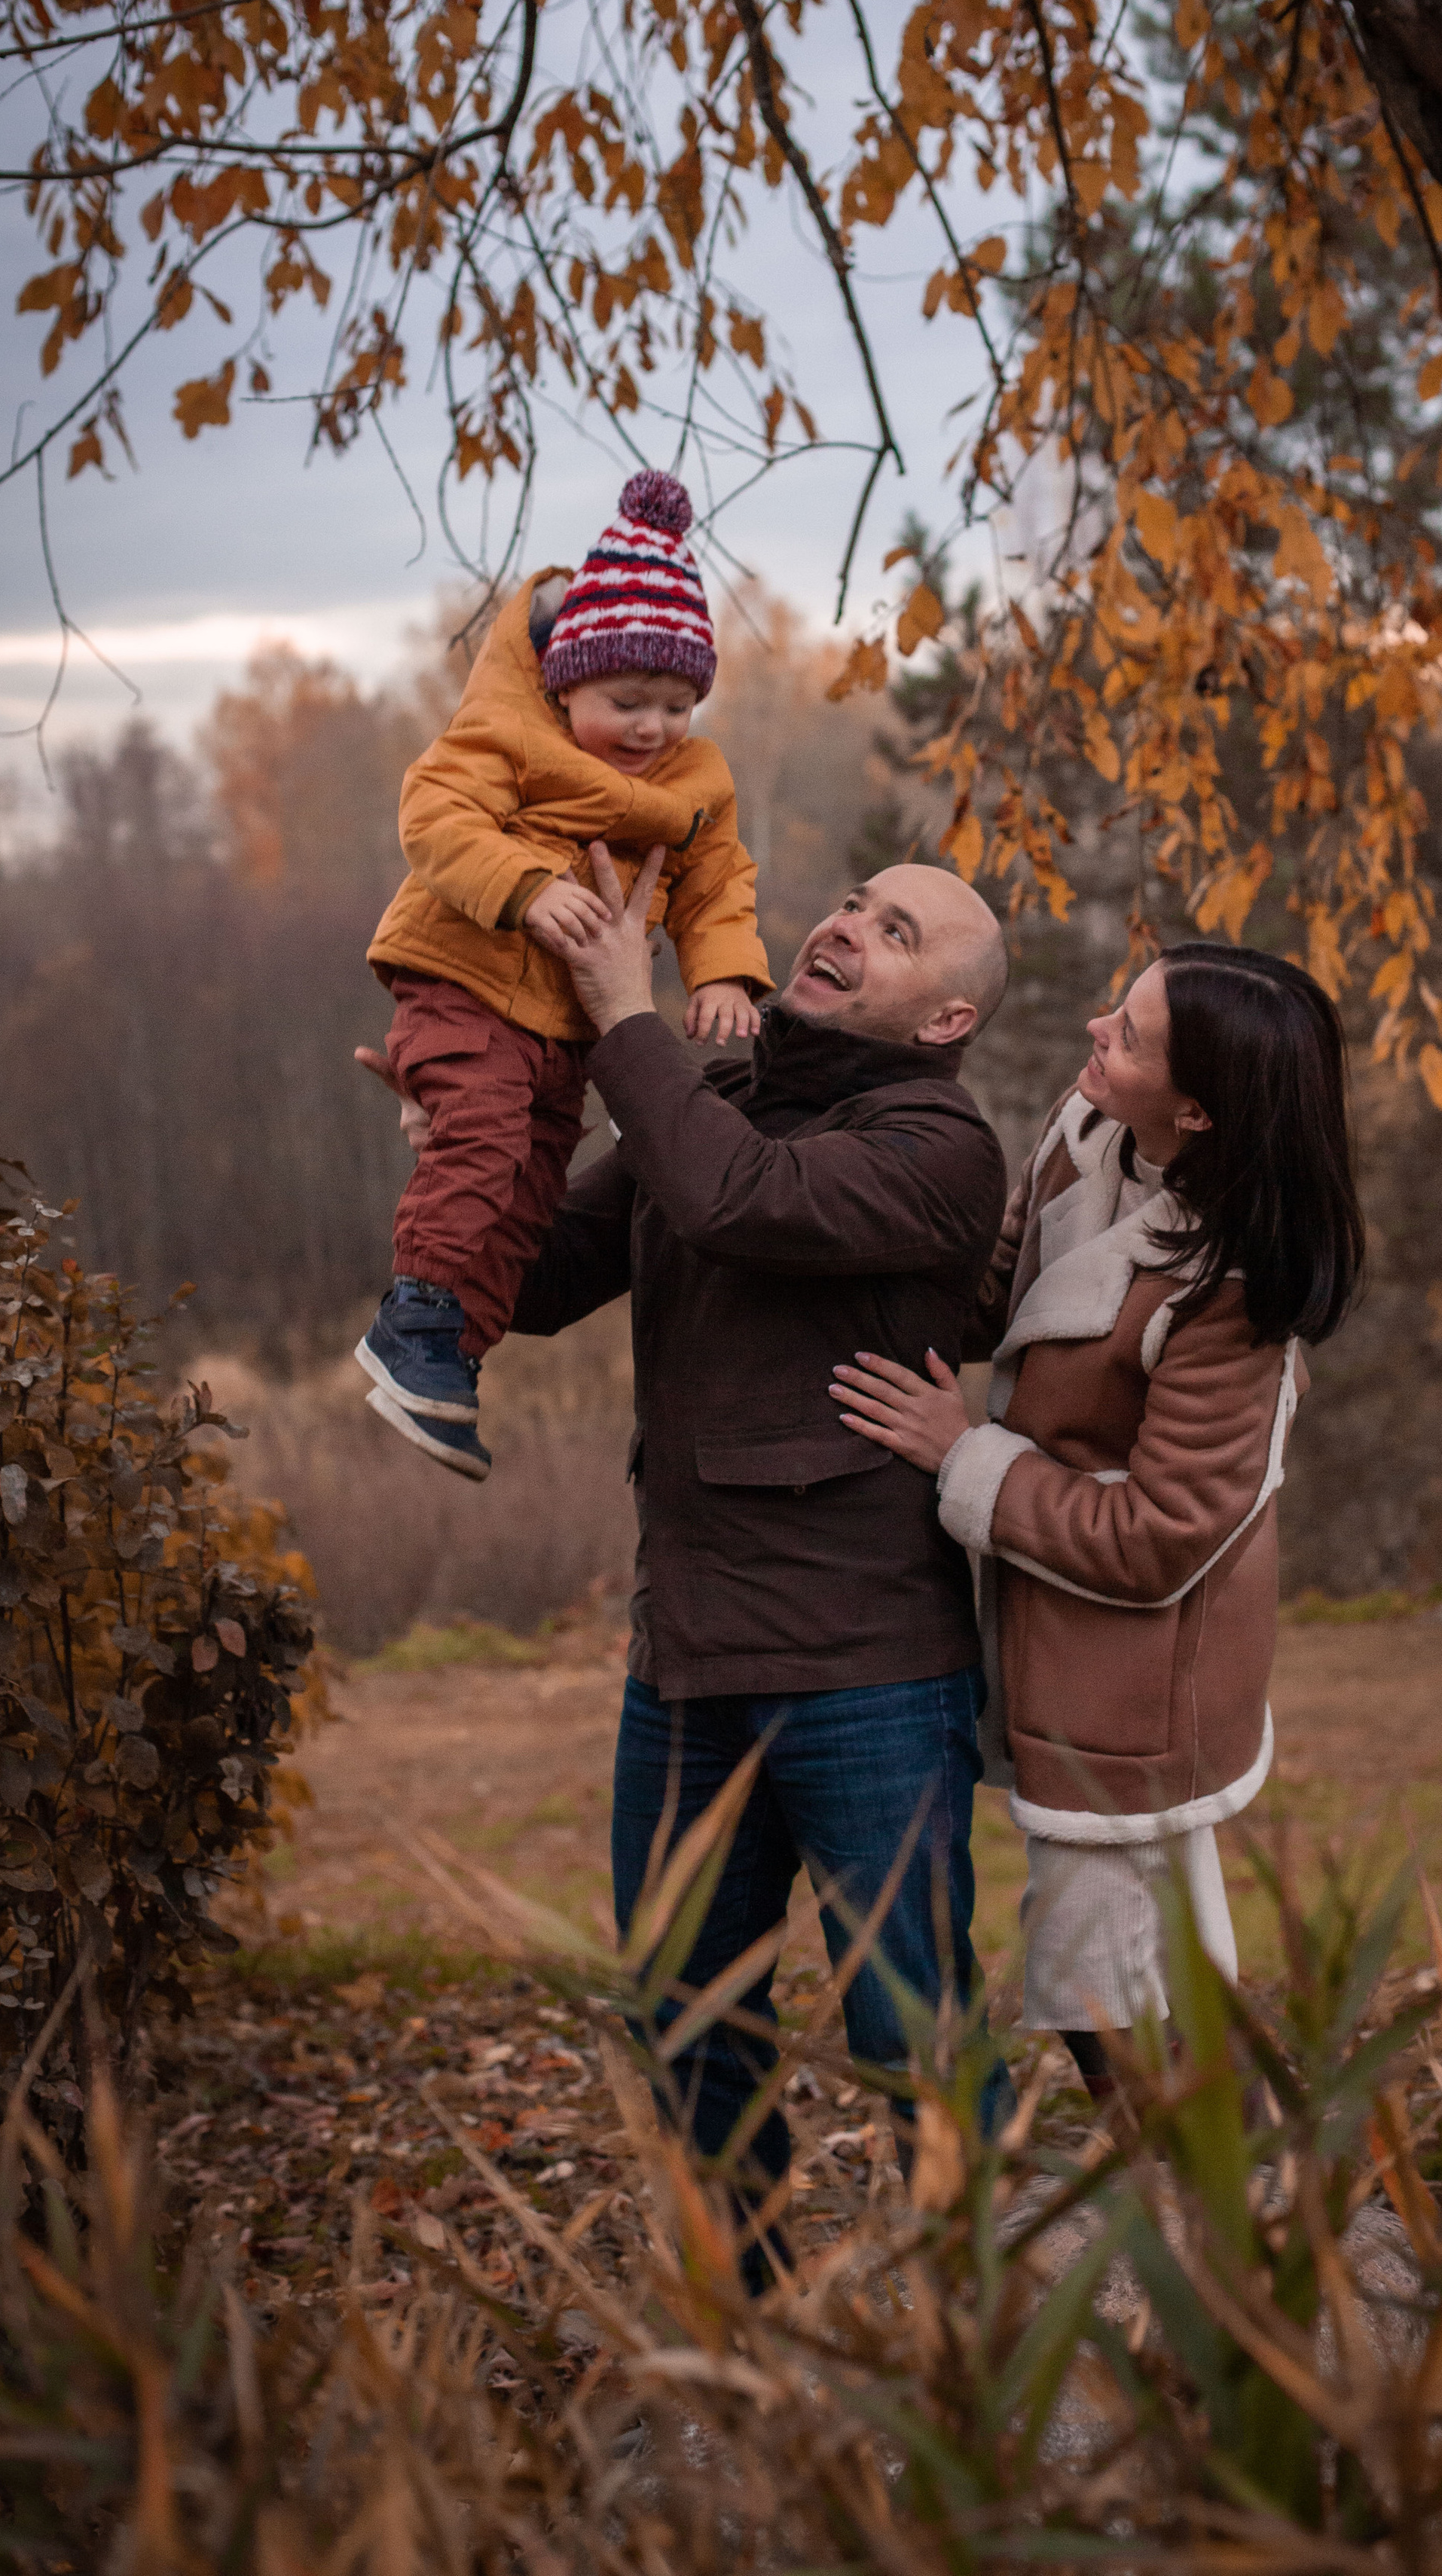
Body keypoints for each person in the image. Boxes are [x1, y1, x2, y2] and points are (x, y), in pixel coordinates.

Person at [362, 844, 1013, 2254]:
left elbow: (744, 1202)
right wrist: (477, 1157)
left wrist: (618, 1013)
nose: (844, 928)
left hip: (870, 1675)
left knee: (914, 2027)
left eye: (895, 933)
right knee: (685, 2022)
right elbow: (535, 1285)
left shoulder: (938, 1150)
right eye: (852, 903)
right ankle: (761, 2343)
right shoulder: (706, 1093)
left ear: (946, 1018)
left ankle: (990, 2351)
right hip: (689, 1665)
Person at [829, 939, 1364, 2107]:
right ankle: (1255, 2216)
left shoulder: (1232, 1297)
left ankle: (1225, 2236)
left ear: (1200, 1109)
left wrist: (961, 1455)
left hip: (1137, 1677)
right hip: (1054, 1631)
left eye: (1126, 1034)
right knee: (1146, 1963)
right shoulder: (1090, 1144)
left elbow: (1164, 1534)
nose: (1092, 1032)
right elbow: (991, 1291)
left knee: (1105, 1980)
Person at [358, 472, 771, 1482]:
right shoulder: (511, 738)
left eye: (676, 705)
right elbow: (436, 822)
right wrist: (529, 886)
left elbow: (719, 884)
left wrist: (725, 976)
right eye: (626, 702)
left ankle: (454, 1357)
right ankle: (417, 1316)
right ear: (563, 684)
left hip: (564, 1030)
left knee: (534, 1187)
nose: (651, 729)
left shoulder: (694, 783)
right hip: (466, 977)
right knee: (486, 1140)